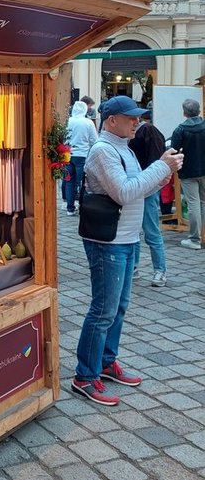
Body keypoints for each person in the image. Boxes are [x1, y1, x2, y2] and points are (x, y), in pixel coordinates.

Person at [72, 95, 183, 406]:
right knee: (103, 310)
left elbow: (139, 188)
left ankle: (105, 363)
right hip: (108, 243)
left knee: (117, 308)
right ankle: (84, 376)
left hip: (125, 239)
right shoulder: (103, 151)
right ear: (111, 120)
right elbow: (123, 192)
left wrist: (162, 172)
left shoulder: (122, 149)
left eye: (138, 117)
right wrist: (160, 166)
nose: (137, 122)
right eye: (131, 117)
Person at [128, 111, 168, 286]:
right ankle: (134, 268)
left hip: (147, 189)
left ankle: (160, 270)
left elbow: (157, 162)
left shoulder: (149, 131)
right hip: (132, 187)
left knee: (151, 232)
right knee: (133, 232)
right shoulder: (127, 134)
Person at [170, 98, 205, 250]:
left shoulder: (180, 129)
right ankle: (202, 235)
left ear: (184, 113)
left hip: (188, 170)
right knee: (203, 203)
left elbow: (174, 151)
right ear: (199, 111)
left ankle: (195, 239)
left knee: (193, 204)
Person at [65, 100, 98, 216]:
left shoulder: (67, 121)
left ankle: (70, 208)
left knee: (69, 182)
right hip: (83, 155)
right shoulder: (88, 123)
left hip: (68, 155)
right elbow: (94, 140)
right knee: (83, 182)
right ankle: (83, 206)